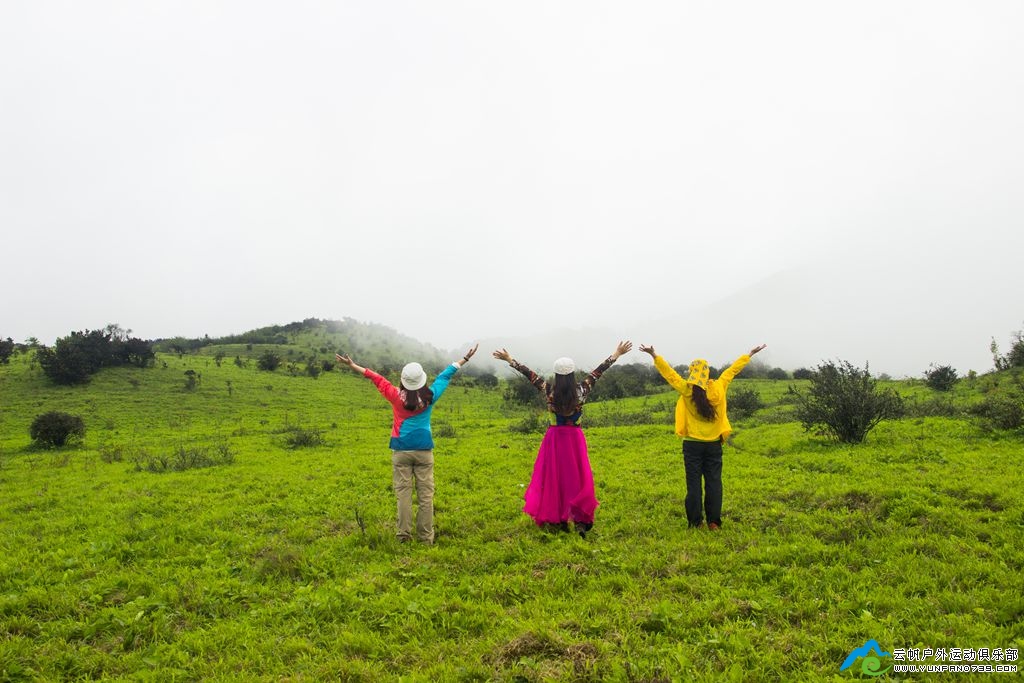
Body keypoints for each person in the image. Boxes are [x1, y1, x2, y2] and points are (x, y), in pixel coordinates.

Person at [335, 344, 478, 544]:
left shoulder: (395, 396)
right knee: (426, 497)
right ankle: (426, 538)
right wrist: (464, 359)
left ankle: (403, 536)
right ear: (422, 380)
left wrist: (352, 365)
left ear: (403, 381)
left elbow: (375, 377)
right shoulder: (430, 397)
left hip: (401, 451)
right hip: (424, 452)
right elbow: (445, 375)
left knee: (403, 496)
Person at [492, 341, 632, 538]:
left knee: (554, 478)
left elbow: (530, 375)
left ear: (557, 374)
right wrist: (616, 353)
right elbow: (599, 371)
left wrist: (510, 360)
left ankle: (558, 518)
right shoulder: (582, 390)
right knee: (579, 477)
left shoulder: (549, 390)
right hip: (575, 438)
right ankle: (581, 521)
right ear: (573, 373)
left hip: (554, 438)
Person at [640, 343, 767, 530]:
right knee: (714, 483)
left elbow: (670, 375)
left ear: (692, 373)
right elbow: (732, 370)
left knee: (693, 486)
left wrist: (654, 355)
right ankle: (714, 522)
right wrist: (749, 354)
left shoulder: (686, 389)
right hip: (714, 444)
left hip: (692, 445)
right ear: (706, 373)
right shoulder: (719, 386)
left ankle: (696, 523)